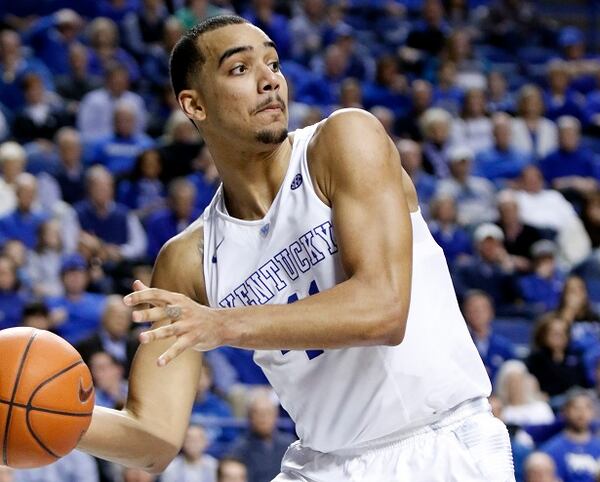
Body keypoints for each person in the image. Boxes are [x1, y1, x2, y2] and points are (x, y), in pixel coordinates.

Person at [77, 16, 513, 481]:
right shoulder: (188, 260)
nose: (270, 80)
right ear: (194, 104)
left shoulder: (343, 141)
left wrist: (222, 324)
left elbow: (383, 310)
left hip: (436, 446)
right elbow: (152, 439)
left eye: (273, 62)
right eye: (240, 69)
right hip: (324, 463)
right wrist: (46, 417)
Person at [227, 389, 296, 482]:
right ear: (249, 416)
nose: (263, 418)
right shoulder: (238, 449)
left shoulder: (290, 444)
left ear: (276, 415)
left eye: (268, 413)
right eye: (258, 413)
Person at [540, 389, 600, 482]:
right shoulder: (551, 449)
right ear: (565, 411)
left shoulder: (598, 446)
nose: (582, 413)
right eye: (576, 408)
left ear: (593, 412)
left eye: (587, 408)